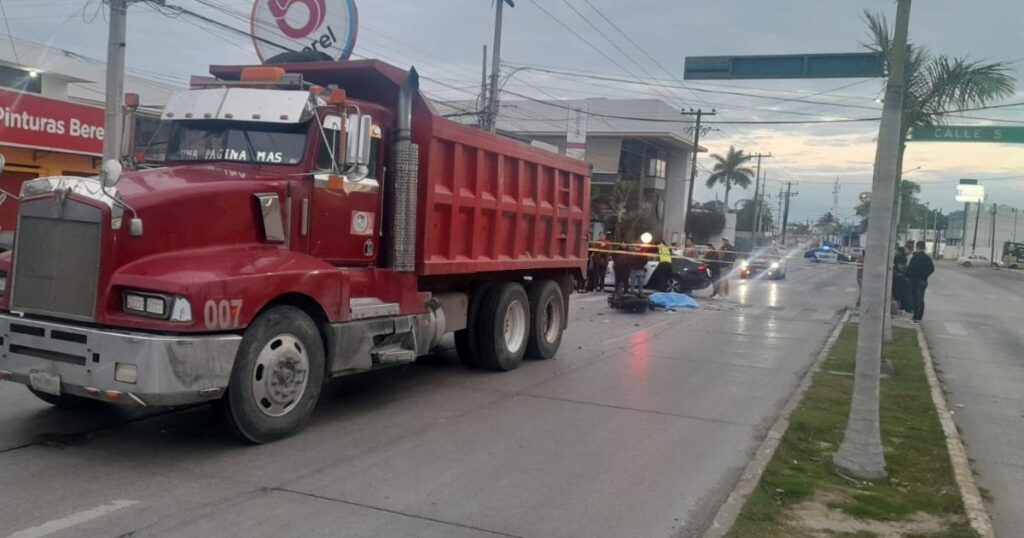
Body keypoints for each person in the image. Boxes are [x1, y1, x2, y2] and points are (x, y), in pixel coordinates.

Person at [905, 241, 935, 323]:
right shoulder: (927, 258)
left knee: (915, 299)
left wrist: (908, 275)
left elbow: (910, 269)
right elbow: (932, 269)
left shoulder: (915, 258)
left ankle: (916, 317)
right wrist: (925, 275)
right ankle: (919, 317)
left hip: (914, 281)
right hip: (923, 281)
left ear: (917, 247)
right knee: (921, 299)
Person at [893, 246, 910, 313]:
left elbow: (899, 266)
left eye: (896, 250)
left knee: (896, 292)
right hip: (902, 276)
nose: (895, 252)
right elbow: (904, 266)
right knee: (902, 292)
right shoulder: (905, 258)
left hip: (897, 276)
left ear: (899, 251)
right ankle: (901, 307)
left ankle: (897, 306)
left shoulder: (897, 257)